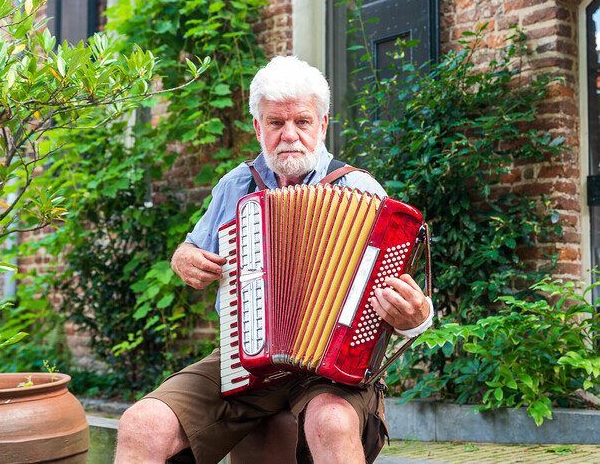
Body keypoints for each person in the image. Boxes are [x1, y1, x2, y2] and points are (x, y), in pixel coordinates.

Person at [115, 56, 434, 464]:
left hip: (333, 367)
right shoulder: (236, 184)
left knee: (332, 422)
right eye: (275, 123)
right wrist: (186, 260)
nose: (289, 136)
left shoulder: (360, 190)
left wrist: (415, 316)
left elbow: (406, 300)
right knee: (141, 423)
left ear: (323, 124)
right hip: (242, 357)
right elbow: (188, 248)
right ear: (257, 127)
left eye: (302, 122)